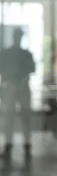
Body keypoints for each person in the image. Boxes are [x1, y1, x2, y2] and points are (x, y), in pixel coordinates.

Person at [0, 28, 35, 160]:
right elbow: (2, 71)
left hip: (22, 89)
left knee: (25, 118)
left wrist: (19, 82)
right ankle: (8, 146)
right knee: (9, 119)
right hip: (10, 90)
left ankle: (27, 146)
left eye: (19, 36)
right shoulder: (6, 53)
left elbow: (31, 70)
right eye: (16, 36)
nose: (17, 38)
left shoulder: (26, 54)